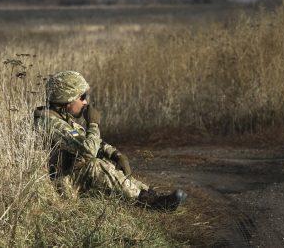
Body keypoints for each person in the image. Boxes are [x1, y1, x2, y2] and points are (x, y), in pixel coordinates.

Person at [33, 71, 187, 211]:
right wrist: (93, 124)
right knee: (94, 164)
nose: (85, 102)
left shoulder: (62, 118)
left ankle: (150, 195)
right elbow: (88, 150)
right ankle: (147, 202)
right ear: (67, 99)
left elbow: (85, 140)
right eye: (82, 97)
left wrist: (115, 154)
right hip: (60, 185)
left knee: (106, 162)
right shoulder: (49, 123)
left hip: (69, 176)